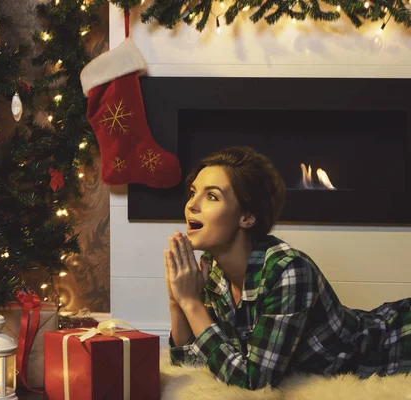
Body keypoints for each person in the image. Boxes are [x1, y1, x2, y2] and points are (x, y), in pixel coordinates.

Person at [165, 146, 411, 390]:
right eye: (193, 192)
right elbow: (191, 363)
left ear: (247, 217)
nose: (191, 205)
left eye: (211, 196)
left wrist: (191, 303)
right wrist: (177, 301)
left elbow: (254, 381)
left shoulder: (288, 270)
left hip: (393, 344)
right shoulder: (214, 271)